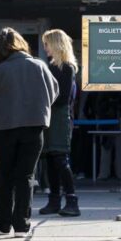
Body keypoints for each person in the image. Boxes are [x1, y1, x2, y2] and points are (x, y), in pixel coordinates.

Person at [0, 27, 58, 237]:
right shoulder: (39, 65)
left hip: (5, 126)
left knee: (5, 175)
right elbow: (54, 92)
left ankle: (2, 224)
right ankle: (22, 225)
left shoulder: (0, 68)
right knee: (26, 176)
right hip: (34, 126)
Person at [38, 29, 81, 217]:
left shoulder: (65, 67)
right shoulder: (54, 65)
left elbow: (62, 98)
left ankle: (71, 199)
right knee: (50, 158)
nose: (45, 47)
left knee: (60, 158)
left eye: (47, 44)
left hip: (59, 116)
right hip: (52, 115)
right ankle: (54, 199)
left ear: (55, 44)